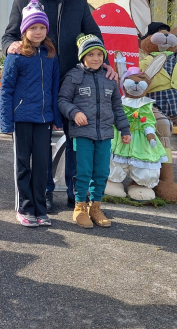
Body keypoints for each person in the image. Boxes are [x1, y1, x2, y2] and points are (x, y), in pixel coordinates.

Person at [1, 0, 116, 212]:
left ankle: (77, 193)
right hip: (40, 85)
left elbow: (92, 34)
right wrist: (11, 46)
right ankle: (45, 192)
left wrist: (106, 64)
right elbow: (8, 37)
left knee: (78, 138)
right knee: (42, 146)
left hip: (75, 82)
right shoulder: (23, 0)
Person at [0, 0, 63, 227]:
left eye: (42, 28)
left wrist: (56, 117)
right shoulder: (16, 56)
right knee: (23, 164)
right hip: (22, 119)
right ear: (25, 30)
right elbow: (6, 90)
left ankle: (40, 208)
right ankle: (25, 208)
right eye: (33, 28)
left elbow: (54, 88)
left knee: (41, 165)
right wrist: (6, 122)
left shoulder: (50, 55)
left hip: (44, 119)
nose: (38, 32)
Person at [58, 34, 131, 228]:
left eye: (100, 54)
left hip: (105, 134)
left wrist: (124, 129)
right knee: (83, 172)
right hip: (82, 134)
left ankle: (95, 207)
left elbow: (117, 107)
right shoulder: (74, 76)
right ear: (83, 56)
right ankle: (79, 208)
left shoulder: (109, 79)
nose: (97, 58)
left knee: (101, 172)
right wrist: (74, 113)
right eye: (91, 54)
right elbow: (62, 100)